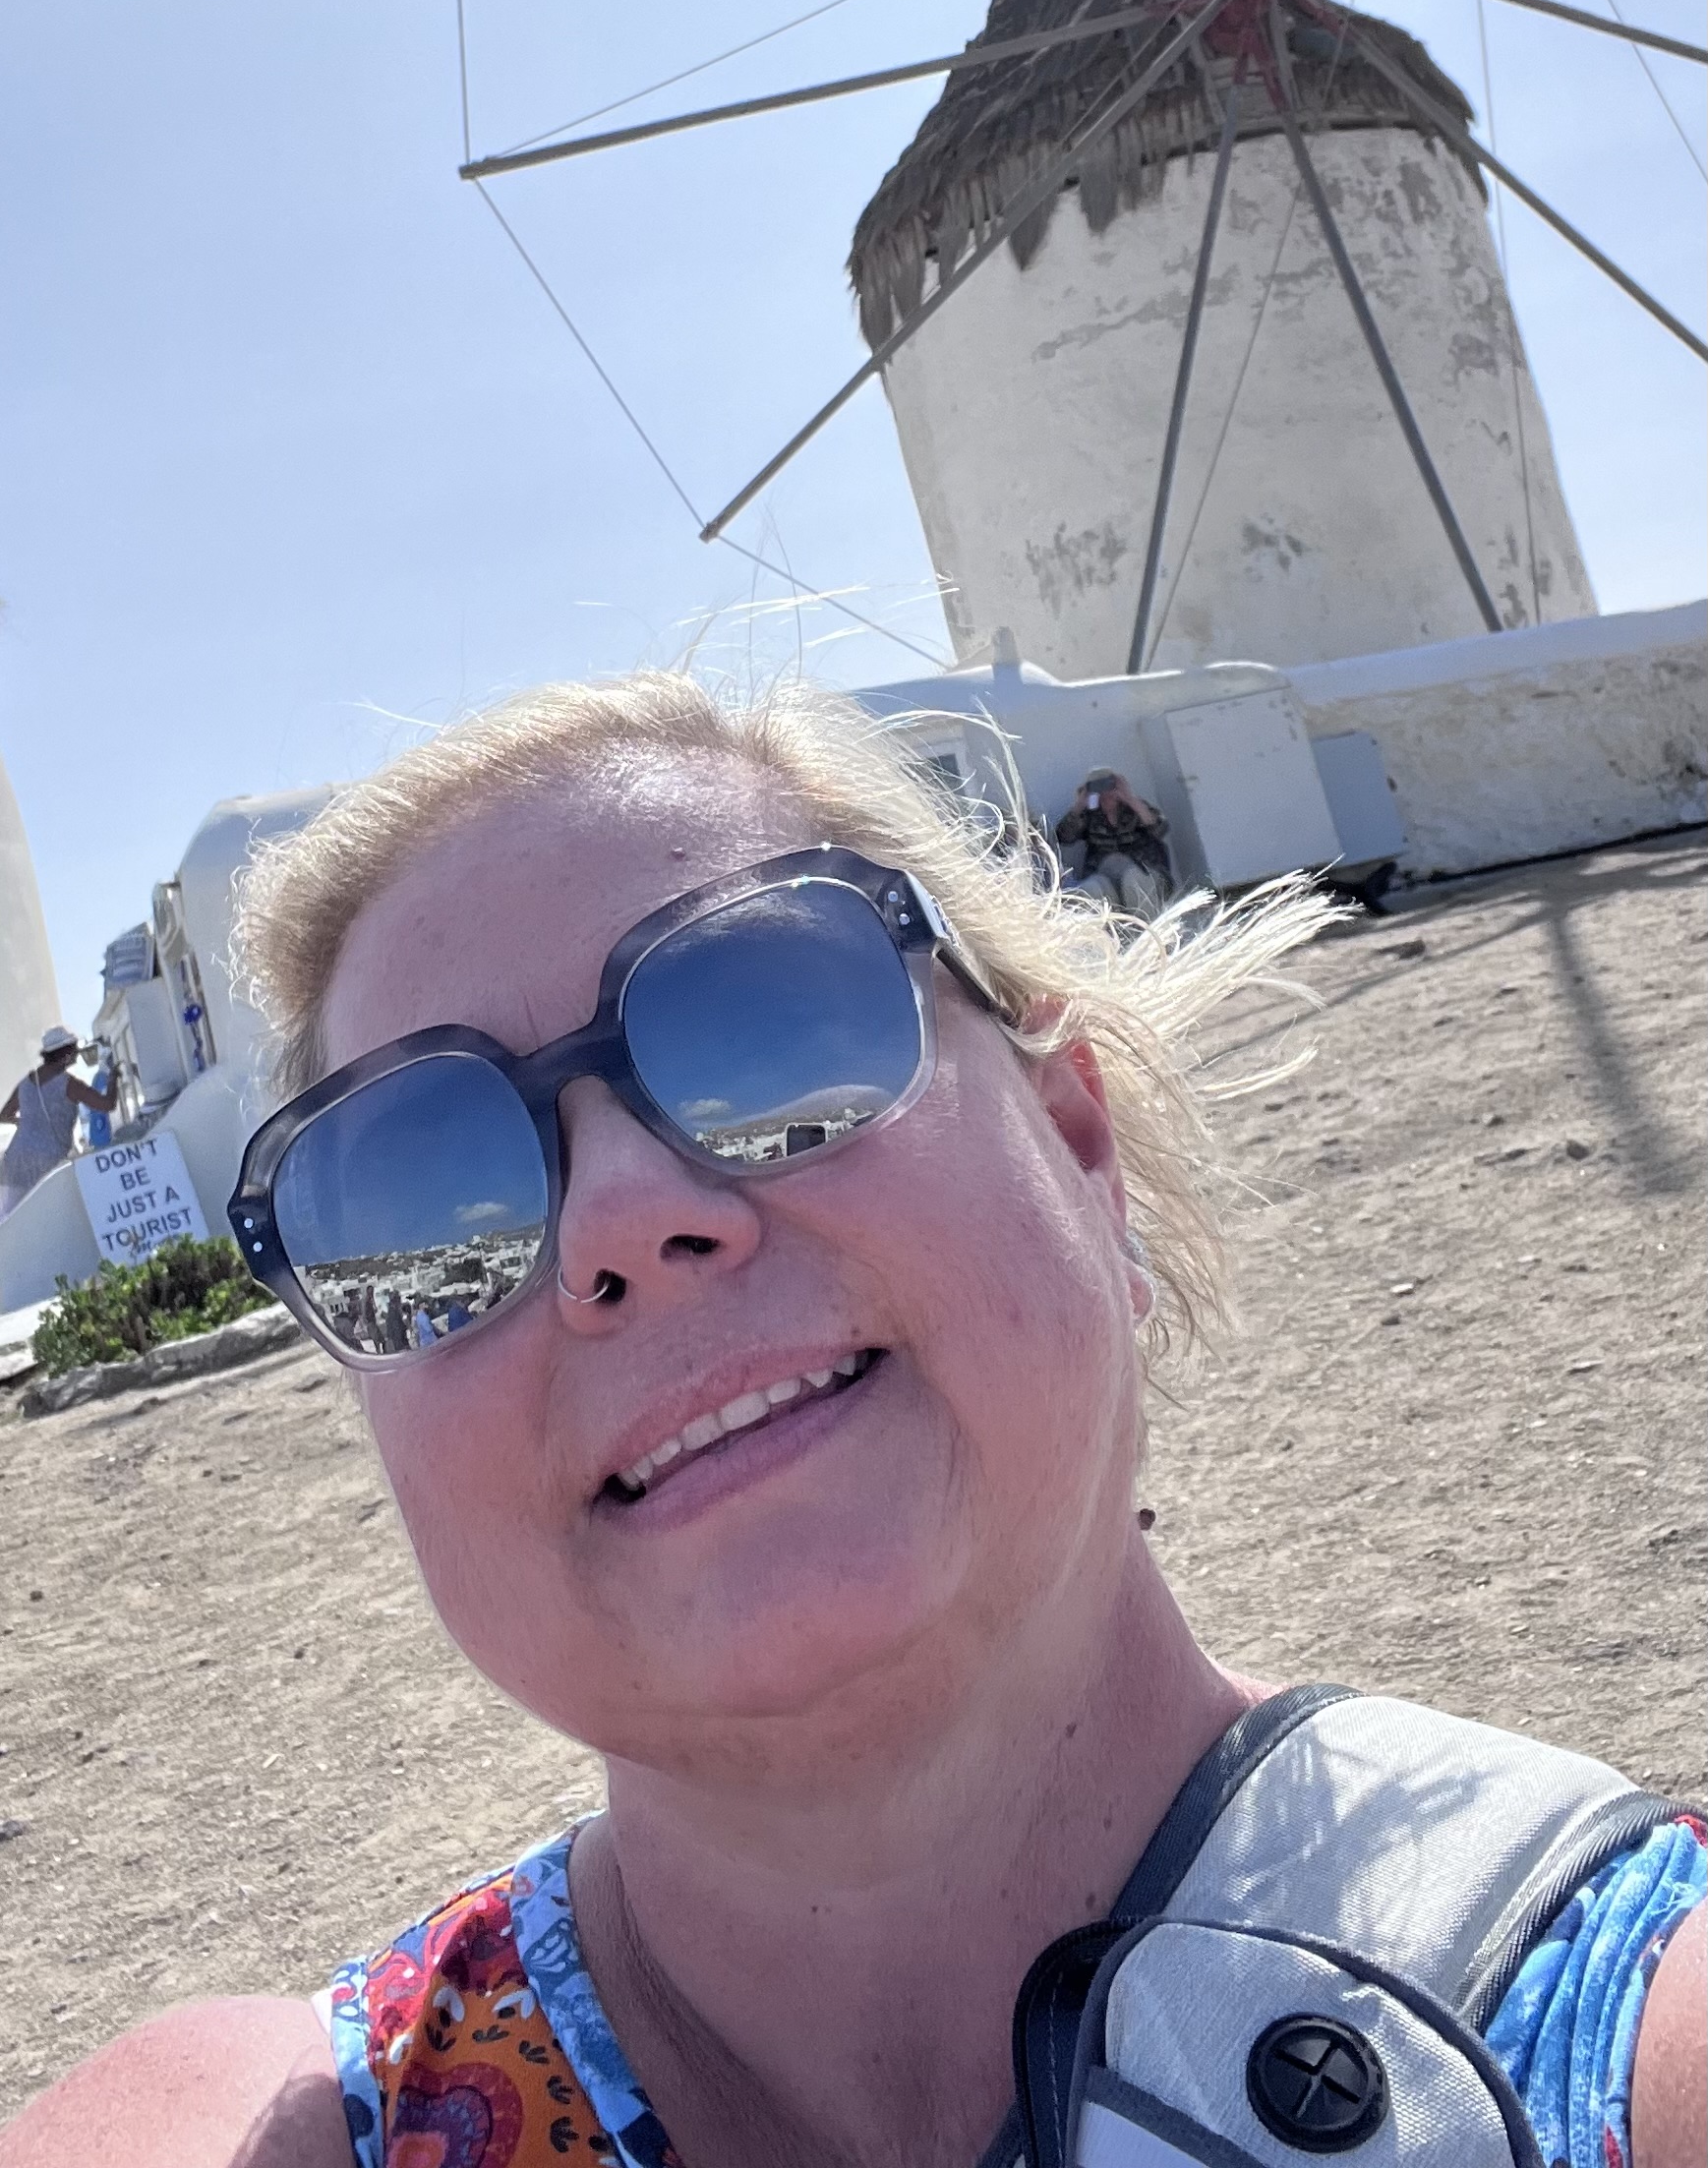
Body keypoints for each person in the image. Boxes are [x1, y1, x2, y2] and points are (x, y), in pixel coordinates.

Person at [2, 673, 1699, 2168]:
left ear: (1073, 1139)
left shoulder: (1631, 2032)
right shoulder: (253, 2128)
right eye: (421, 1198)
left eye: (770, 1025)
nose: (611, 1218)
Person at [0, 1027, 118, 1223]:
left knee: (12, 1218)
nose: (77, 1055)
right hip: (49, 1160)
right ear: (65, 1054)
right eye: (75, 1050)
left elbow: (4, 1115)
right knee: (51, 1217)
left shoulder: (27, 1082)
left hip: (17, 1157)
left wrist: (25, 1123)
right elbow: (107, 1104)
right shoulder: (69, 1084)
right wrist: (113, 1079)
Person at [1054, 767, 1174, 919]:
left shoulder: (1136, 808)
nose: (1105, 794)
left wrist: (1129, 798)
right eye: (1098, 788)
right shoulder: (1089, 815)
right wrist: (1080, 804)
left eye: (1108, 785)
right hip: (1107, 876)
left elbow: (1160, 829)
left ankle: (1149, 933)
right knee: (1092, 889)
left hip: (1143, 873)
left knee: (1132, 880)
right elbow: (1064, 837)